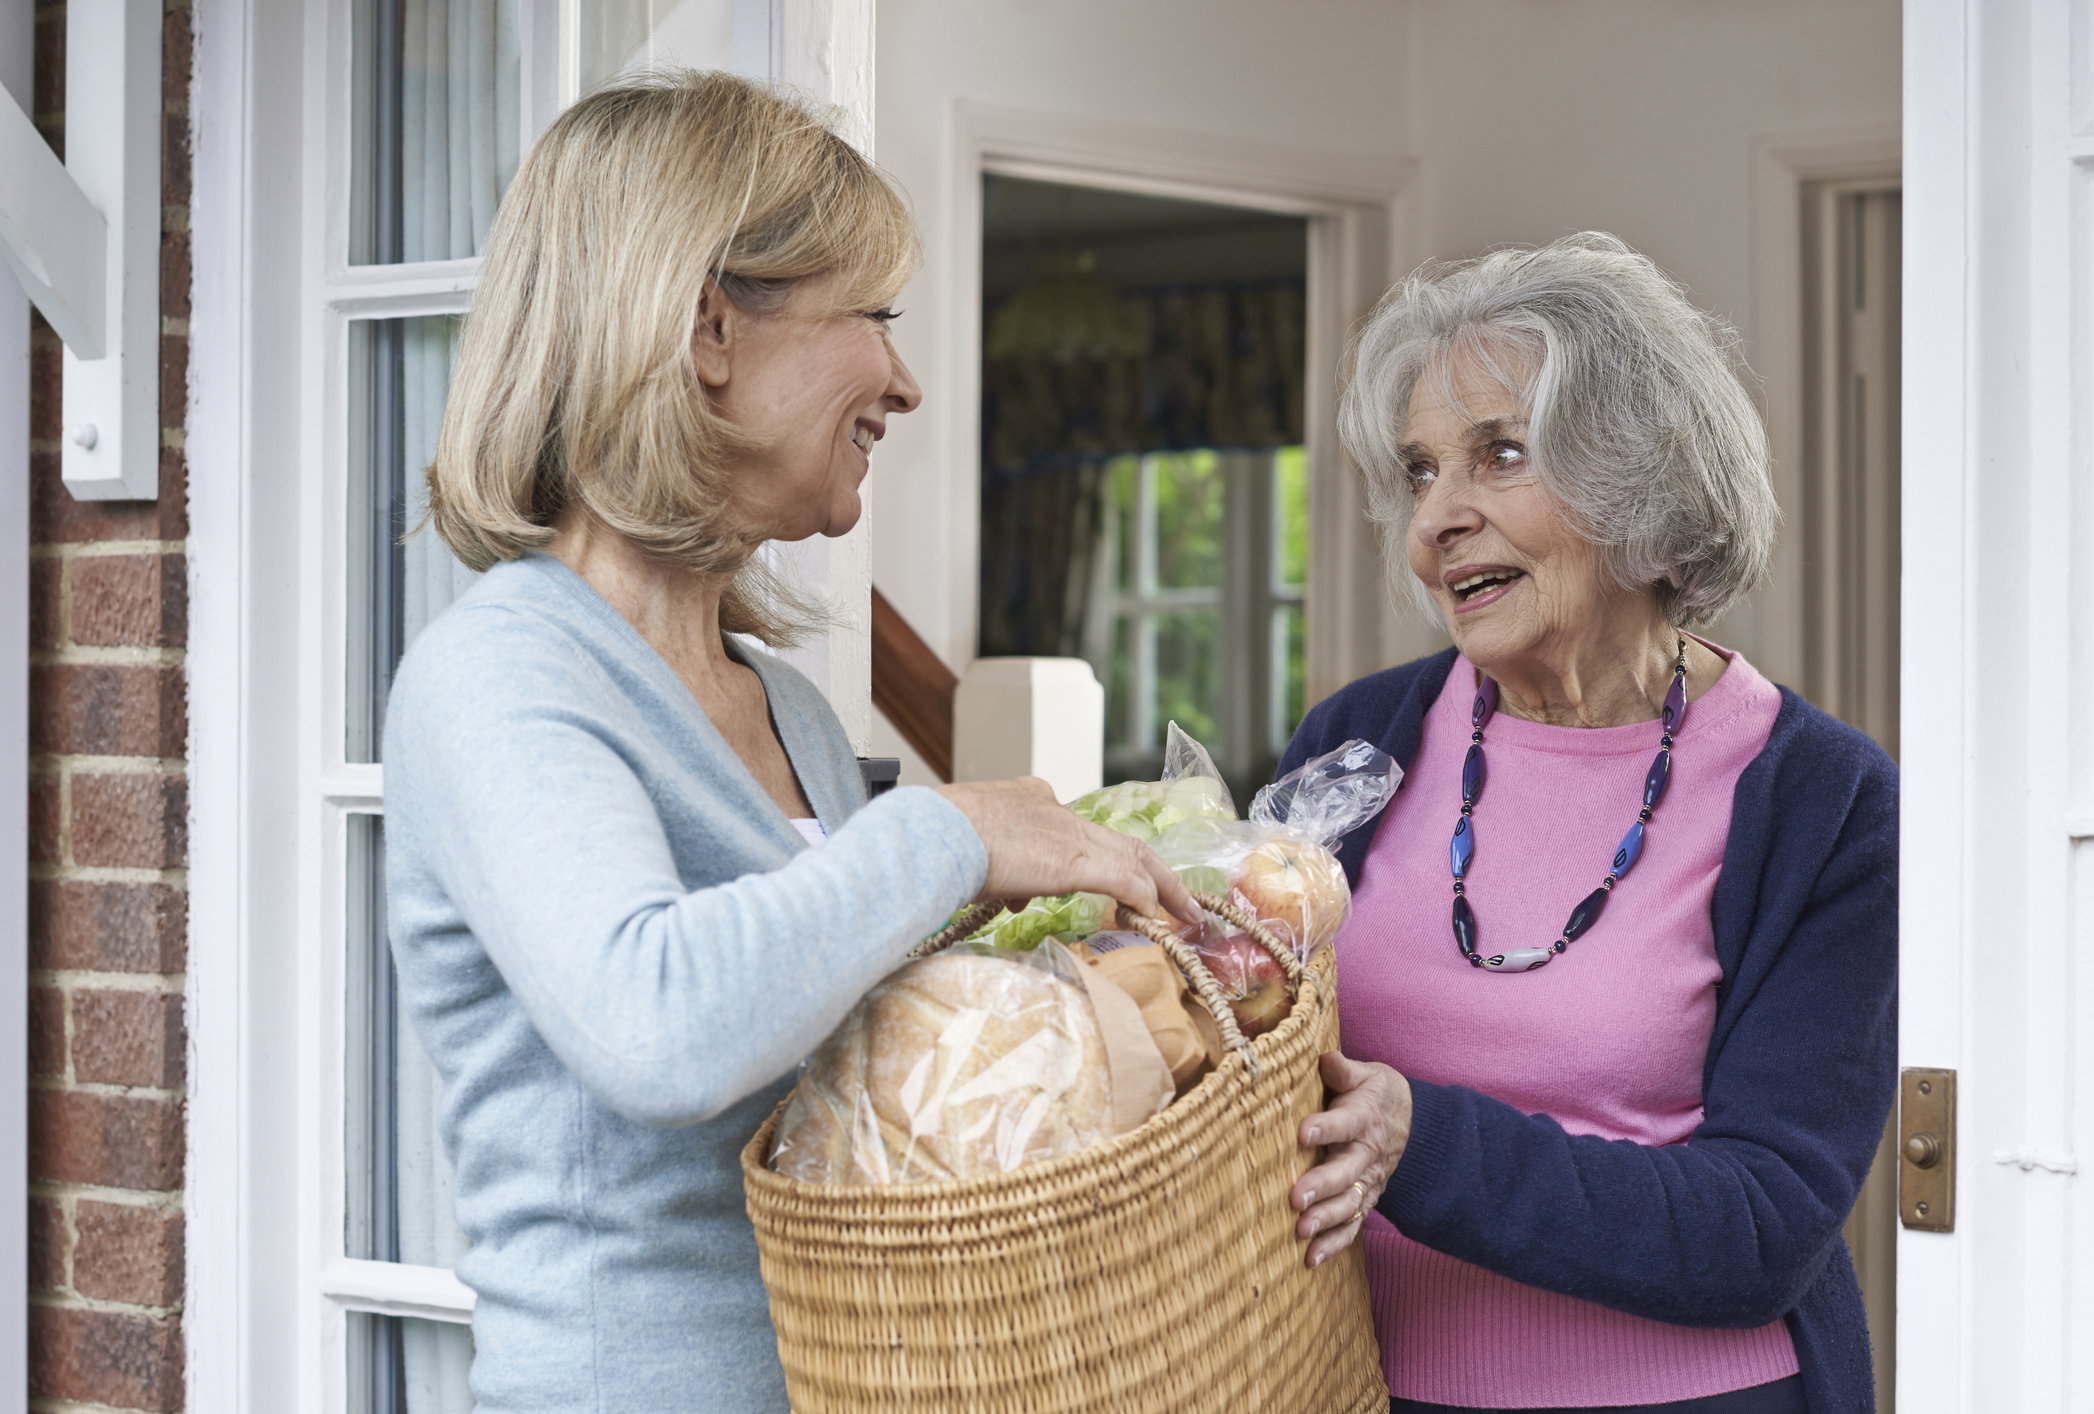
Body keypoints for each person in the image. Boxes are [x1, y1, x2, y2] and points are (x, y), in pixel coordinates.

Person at [382, 72, 1198, 1414]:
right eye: (871, 316)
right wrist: (950, 832)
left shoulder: (791, 709)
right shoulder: (501, 674)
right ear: (709, 327)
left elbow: (847, 1076)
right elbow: (658, 1029)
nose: (905, 378)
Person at [1279, 234, 1897, 1414]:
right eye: (1418, 473)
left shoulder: (1822, 802)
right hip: (1357, 1387)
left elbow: (1762, 1223)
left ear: (1639, 478)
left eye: (1498, 456)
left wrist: (1428, 1144)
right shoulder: (1357, 743)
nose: (1436, 523)